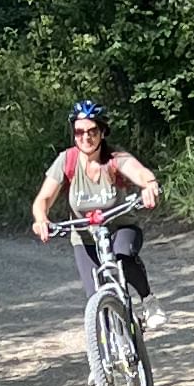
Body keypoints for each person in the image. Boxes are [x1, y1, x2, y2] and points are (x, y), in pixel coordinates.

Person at [31, 101, 161, 301]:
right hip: (85, 238)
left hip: (121, 228)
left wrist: (149, 185)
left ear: (102, 132)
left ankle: (148, 299)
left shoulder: (114, 158)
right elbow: (44, 198)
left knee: (122, 257)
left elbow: (140, 172)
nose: (86, 137)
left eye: (92, 131)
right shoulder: (67, 161)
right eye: (79, 132)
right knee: (95, 296)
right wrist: (41, 219)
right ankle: (104, 327)